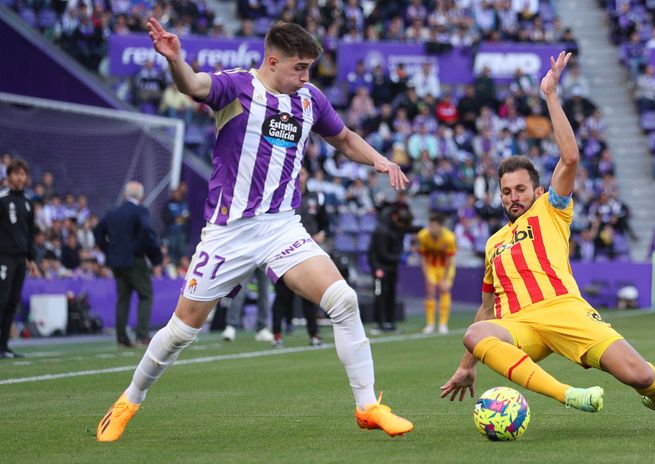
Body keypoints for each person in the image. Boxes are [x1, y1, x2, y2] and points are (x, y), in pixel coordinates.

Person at [96, 19, 413, 442]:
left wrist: (379, 160)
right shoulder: (237, 87)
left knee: (343, 299)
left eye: (309, 69)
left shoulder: (310, 99)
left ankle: (368, 406)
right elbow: (193, 84)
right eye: (299, 68)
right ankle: (127, 401)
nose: (305, 78)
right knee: (181, 332)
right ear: (272, 60)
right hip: (230, 230)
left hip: (282, 226)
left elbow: (343, 137)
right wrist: (175, 60)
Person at [439, 52, 655, 432]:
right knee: (475, 331)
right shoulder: (493, 242)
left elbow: (571, 156)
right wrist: (466, 367)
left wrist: (550, 95)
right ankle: (568, 395)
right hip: (520, 326)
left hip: (565, 311)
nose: (513, 196)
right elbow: (486, 308)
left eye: (520, 189)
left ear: (537, 190)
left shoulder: (551, 210)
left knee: (639, 375)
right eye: (506, 191)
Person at [93, 181, 163, 348]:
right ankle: (142, 335)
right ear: (141, 195)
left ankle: (122, 338)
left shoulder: (112, 212)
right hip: (135, 260)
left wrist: (108, 251)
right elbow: (147, 234)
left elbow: (97, 231)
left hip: (116, 262)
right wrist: (156, 258)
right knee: (145, 295)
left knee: (123, 299)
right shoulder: (140, 210)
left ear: (125, 195)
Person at [271, 167, 329, 347]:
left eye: (302, 173)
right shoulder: (282, 196)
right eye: (297, 173)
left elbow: (325, 223)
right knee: (282, 297)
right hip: (285, 253)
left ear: (307, 176)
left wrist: (322, 234)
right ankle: (277, 335)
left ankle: (314, 335)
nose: (299, 177)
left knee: (309, 296)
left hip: (307, 253)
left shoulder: (316, 198)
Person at [0, 159, 39, 359]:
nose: (19, 177)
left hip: (20, 259)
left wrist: (31, 259)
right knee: (1, 299)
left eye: (22, 174)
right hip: (3, 257)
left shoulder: (28, 201)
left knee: (12, 302)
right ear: (8, 176)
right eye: (16, 174)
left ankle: (4, 346)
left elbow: (29, 233)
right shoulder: (2, 198)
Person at [367, 206, 413, 335]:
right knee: (379, 294)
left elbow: (410, 228)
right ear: (395, 218)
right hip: (380, 266)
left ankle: (389, 322)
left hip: (392, 266)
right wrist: (402, 258)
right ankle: (378, 323)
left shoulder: (397, 227)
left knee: (391, 294)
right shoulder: (382, 231)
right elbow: (382, 254)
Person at [416, 213, 457, 334]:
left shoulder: (449, 238)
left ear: (440, 227)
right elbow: (422, 257)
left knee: (444, 289)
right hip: (431, 266)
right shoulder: (422, 235)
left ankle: (443, 324)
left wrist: (444, 278)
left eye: (434, 225)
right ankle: (430, 324)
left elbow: (450, 259)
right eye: (430, 225)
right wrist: (426, 276)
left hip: (445, 267)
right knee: (430, 290)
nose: (431, 228)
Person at [220, 267, 274, 342]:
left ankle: (262, 328)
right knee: (239, 290)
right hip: (247, 256)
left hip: (264, 257)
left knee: (265, 292)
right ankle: (231, 326)